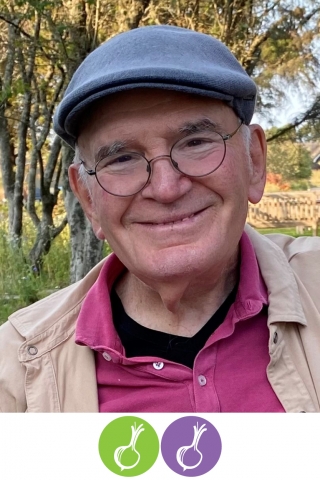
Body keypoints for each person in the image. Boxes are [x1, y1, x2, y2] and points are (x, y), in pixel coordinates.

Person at [1, 25, 320, 413]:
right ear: (87, 197)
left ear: (254, 161)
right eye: (121, 159)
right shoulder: (17, 372)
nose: (166, 189)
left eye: (196, 142)